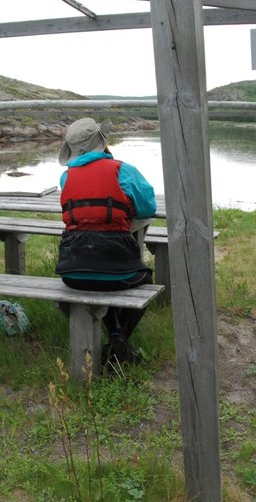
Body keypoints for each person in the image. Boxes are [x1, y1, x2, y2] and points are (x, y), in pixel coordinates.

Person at [55, 117, 157, 367]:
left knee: (99, 276)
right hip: (118, 268)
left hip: (72, 272)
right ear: (102, 144)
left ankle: (114, 335)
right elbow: (148, 208)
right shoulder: (124, 170)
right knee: (143, 281)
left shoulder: (66, 178)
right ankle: (119, 339)